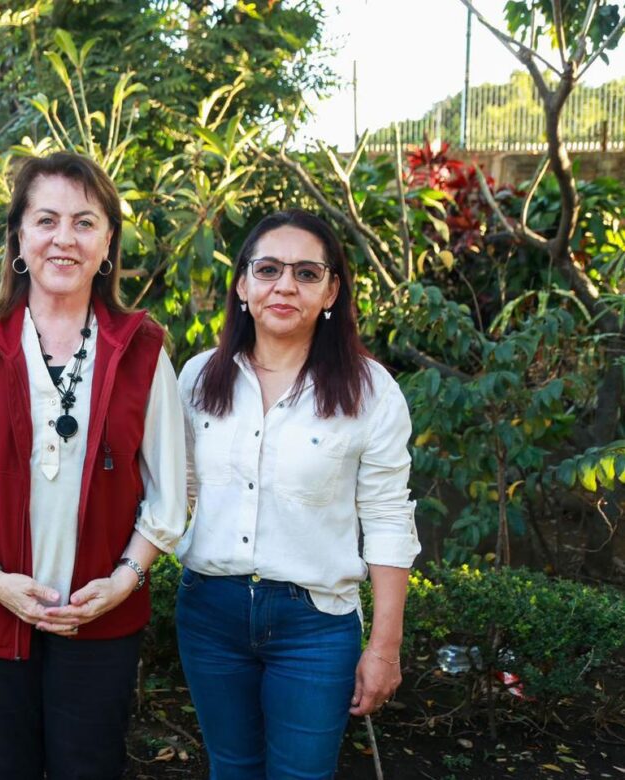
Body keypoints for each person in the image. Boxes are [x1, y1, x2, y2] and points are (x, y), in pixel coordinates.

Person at [0, 151, 187, 779]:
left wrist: (123, 582)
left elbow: (167, 494)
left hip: (101, 616)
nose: (64, 238)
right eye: (46, 220)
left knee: (89, 767)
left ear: (107, 242)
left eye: (84, 222)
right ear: (19, 236)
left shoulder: (143, 351)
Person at [174, 209, 421, 779]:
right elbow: (178, 492)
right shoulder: (197, 378)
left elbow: (388, 518)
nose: (285, 285)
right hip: (210, 612)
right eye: (268, 269)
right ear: (243, 284)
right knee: (231, 768)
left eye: (307, 273)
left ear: (331, 291)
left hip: (315, 624)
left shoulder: (371, 391)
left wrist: (384, 647)